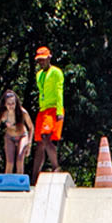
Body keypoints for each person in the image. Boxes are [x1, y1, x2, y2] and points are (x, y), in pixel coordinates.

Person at [0, 90, 33, 175]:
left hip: (22, 135)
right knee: (10, 162)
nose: (11, 106)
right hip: (9, 136)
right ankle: (7, 184)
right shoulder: (3, 114)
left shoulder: (22, 112)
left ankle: (20, 184)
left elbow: (31, 127)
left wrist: (29, 144)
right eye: (9, 104)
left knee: (19, 160)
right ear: (5, 104)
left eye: (13, 103)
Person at [31, 46, 66, 175]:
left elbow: (59, 91)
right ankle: (35, 175)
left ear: (49, 58)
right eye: (39, 60)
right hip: (43, 110)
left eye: (43, 59)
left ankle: (56, 167)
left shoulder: (56, 72)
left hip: (53, 108)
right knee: (40, 143)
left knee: (46, 137)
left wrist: (59, 111)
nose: (41, 62)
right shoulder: (39, 75)